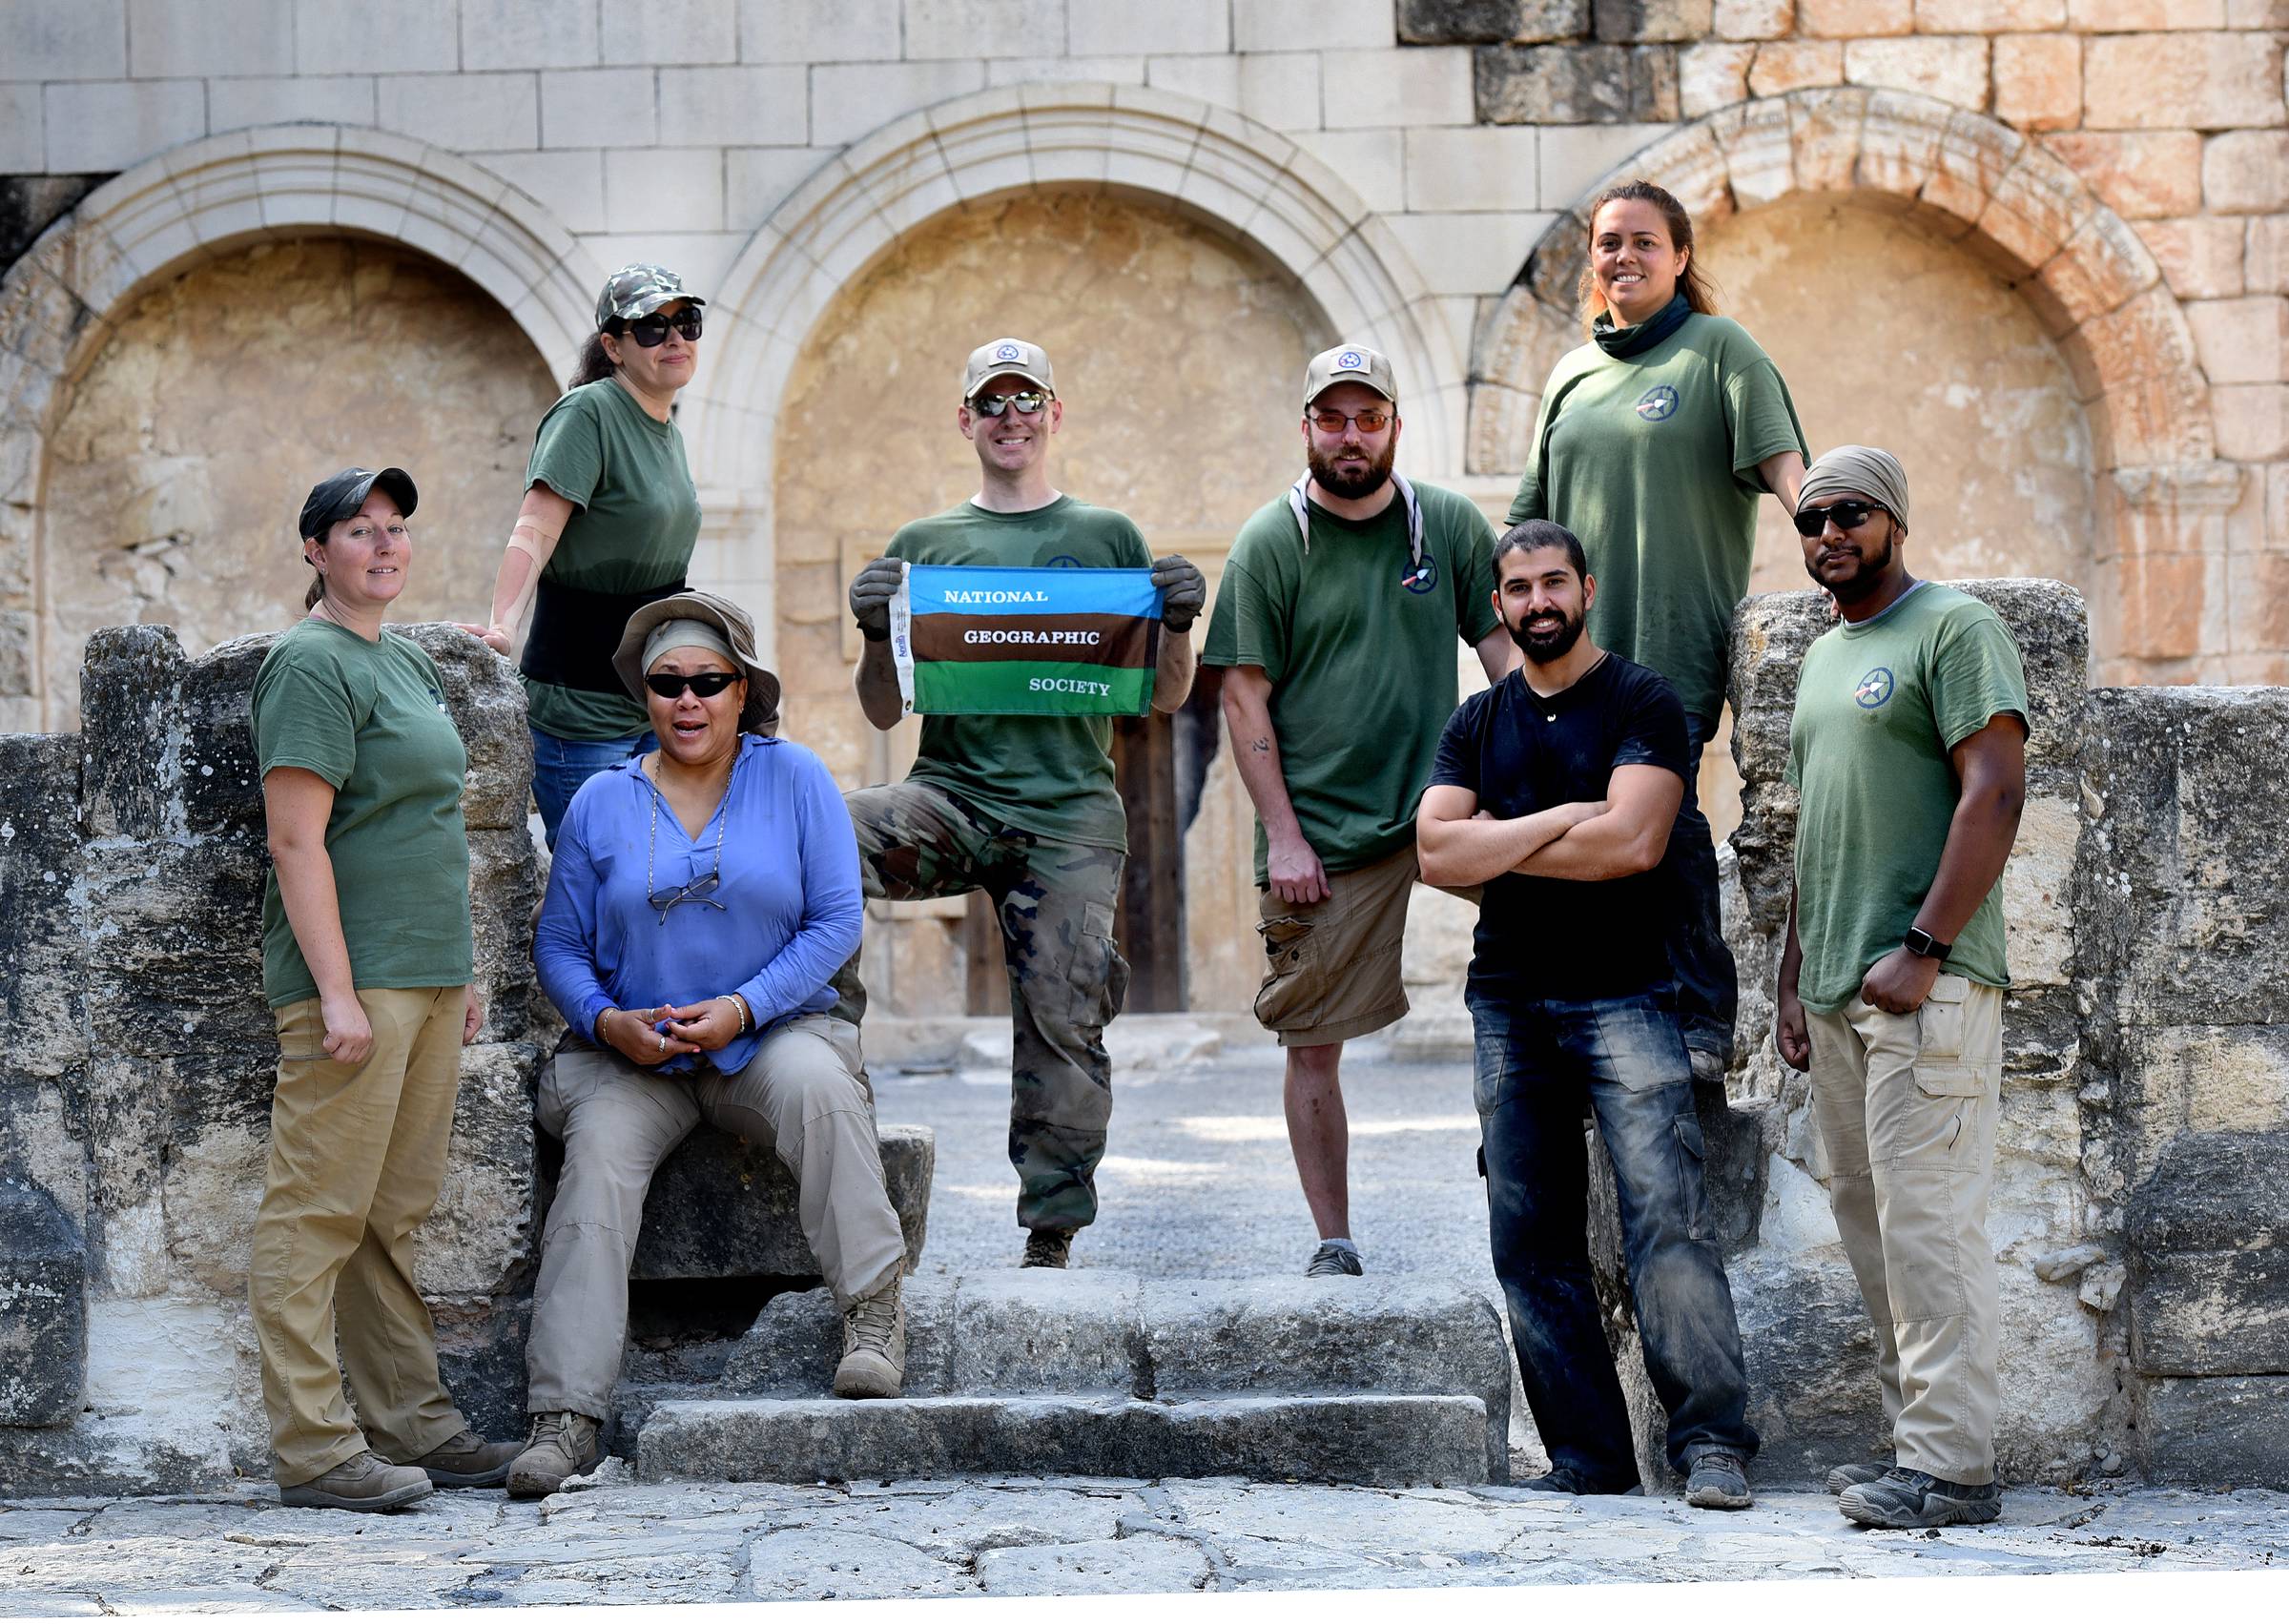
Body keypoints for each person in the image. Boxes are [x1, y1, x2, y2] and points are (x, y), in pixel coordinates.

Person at [515, 591, 905, 1497]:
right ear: (645, 696)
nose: (687, 701)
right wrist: (608, 1023)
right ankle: (565, 1414)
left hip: (767, 1032)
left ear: (741, 691)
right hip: (635, 1053)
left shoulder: (796, 777)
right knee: (599, 1156)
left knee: (819, 1085)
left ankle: (875, 1318)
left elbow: (836, 918)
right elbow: (560, 944)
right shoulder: (601, 802)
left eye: (708, 682)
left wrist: (742, 1008)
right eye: (667, 684)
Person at [840, 338, 1206, 1269]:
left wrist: (1177, 621)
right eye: (990, 401)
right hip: (951, 796)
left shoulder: (1108, 535)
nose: (1010, 416)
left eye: (1025, 399)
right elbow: (884, 704)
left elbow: (1163, 696)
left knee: (1061, 1017)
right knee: (815, 835)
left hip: (1071, 817)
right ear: (966, 419)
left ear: (1053, 413)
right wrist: (875, 630)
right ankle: (811, 1040)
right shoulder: (925, 544)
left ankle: (1052, 1228)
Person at [1418, 519, 1759, 1511]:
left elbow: (1633, 845)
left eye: (1553, 582)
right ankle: (1588, 1456)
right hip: (1509, 1005)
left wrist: (1496, 839)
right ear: (1497, 605)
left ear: (1587, 587)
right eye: (1518, 587)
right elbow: (1434, 855)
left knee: (1668, 1225)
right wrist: (1564, 817)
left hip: (1628, 995)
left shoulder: (1642, 699)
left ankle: (1711, 1443)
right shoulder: (1477, 722)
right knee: (1529, 1242)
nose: (1537, 602)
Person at [1201, 342, 1514, 1279]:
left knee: (1563, 941)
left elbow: (1505, 655)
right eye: (1331, 417)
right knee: (1311, 1041)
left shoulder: (1446, 527)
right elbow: (1242, 699)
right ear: (1307, 427)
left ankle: (1542, 1183)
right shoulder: (1272, 542)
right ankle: (1334, 1238)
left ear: (1392, 427)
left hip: (1444, 807)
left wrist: (1533, 790)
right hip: (1323, 836)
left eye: (1366, 417)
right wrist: (1285, 835)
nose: (1349, 434)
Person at [248, 467, 520, 1511]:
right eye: (359, 530)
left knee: (389, 1215)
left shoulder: (404, 660)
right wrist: (338, 992)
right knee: (316, 1212)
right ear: (316, 551)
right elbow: (293, 838)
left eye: (396, 528)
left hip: (429, 976)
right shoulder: (310, 665)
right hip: (352, 982)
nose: (384, 544)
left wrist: (463, 974)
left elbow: (432, 825)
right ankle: (315, 1449)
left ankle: (416, 1425)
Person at [1773, 446, 2028, 1531]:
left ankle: (1955, 1465)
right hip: (1839, 994)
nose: (1829, 531)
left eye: (1852, 513)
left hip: (1928, 983)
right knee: (1873, 1225)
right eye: (1813, 518)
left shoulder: (1955, 628)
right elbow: (1813, 831)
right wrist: (1792, 978)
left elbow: (1998, 787)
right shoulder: (1826, 657)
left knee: (1930, 1222)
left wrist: (1924, 943)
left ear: (1895, 520)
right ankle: (1912, 1449)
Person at [1507, 179, 1809, 1086]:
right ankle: (1590, 1010)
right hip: (1571, 655)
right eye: (1608, 243)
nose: (1624, 256)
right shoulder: (1569, 375)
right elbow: (1527, 524)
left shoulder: (1721, 352)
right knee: (1583, 825)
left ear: (1680, 257)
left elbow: (1791, 473)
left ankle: (1701, 1016)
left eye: (1644, 241)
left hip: (1671, 645)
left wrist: (1840, 555)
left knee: (1662, 816)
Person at [479, 264, 707, 846]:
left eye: (685, 321)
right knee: (605, 880)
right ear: (614, 346)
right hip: (579, 711)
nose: (674, 338)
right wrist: (503, 623)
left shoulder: (668, 430)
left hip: (649, 701)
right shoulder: (589, 413)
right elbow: (534, 528)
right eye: (652, 328)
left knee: (657, 879)